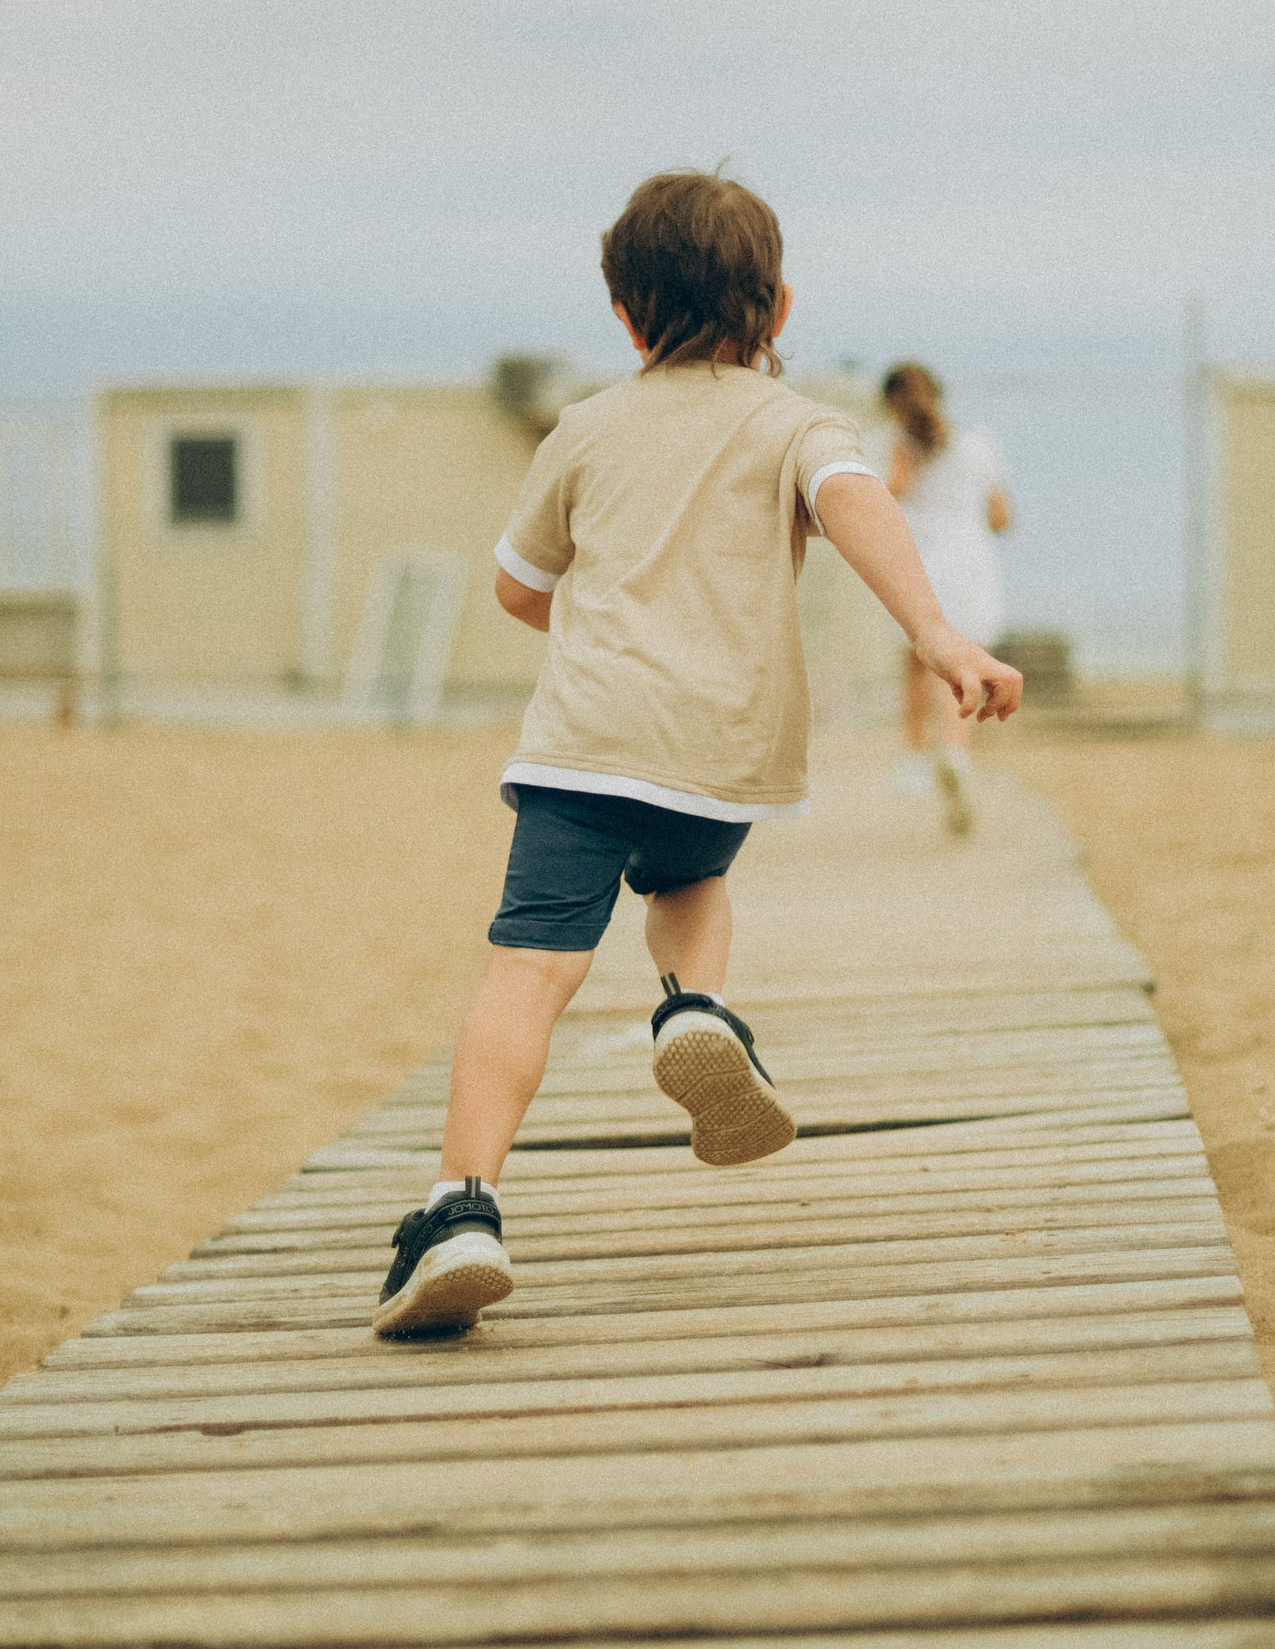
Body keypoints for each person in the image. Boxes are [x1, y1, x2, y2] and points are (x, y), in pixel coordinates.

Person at [374, 171, 1024, 1337]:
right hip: (716, 745)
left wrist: (577, 611)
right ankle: (697, 1009)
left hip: (584, 743)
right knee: (690, 880)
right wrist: (935, 634)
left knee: (527, 974)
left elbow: (518, 587)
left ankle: (460, 1209)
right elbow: (853, 501)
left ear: (623, 314)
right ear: (776, 309)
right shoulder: (798, 425)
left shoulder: (582, 427)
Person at [879, 363, 1012, 837]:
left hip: (923, 565)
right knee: (964, 671)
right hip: (973, 566)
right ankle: (955, 752)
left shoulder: (904, 447)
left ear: (892, 404)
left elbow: (890, 497)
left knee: (917, 664)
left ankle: (916, 757)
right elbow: (1000, 517)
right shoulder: (980, 445)